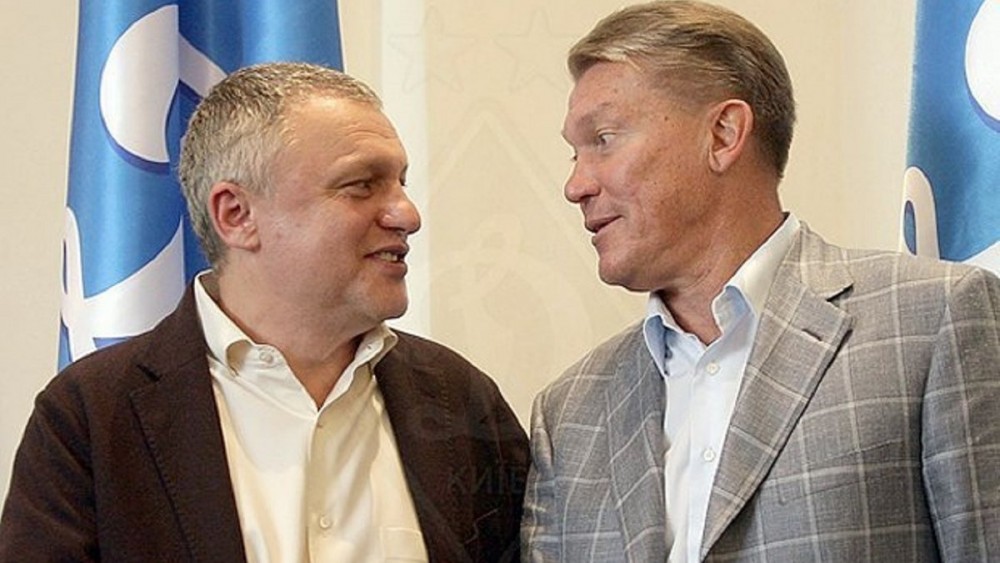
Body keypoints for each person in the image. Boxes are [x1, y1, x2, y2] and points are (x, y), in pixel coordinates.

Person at [521, 1, 1000, 561]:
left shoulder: (934, 321)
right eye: (573, 154)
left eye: (603, 139)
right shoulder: (568, 414)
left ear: (723, 134)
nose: (575, 185)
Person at [0, 62, 528, 562]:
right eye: (362, 185)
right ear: (237, 215)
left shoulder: (461, 400)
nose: (406, 214)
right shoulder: (92, 418)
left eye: (401, 183)